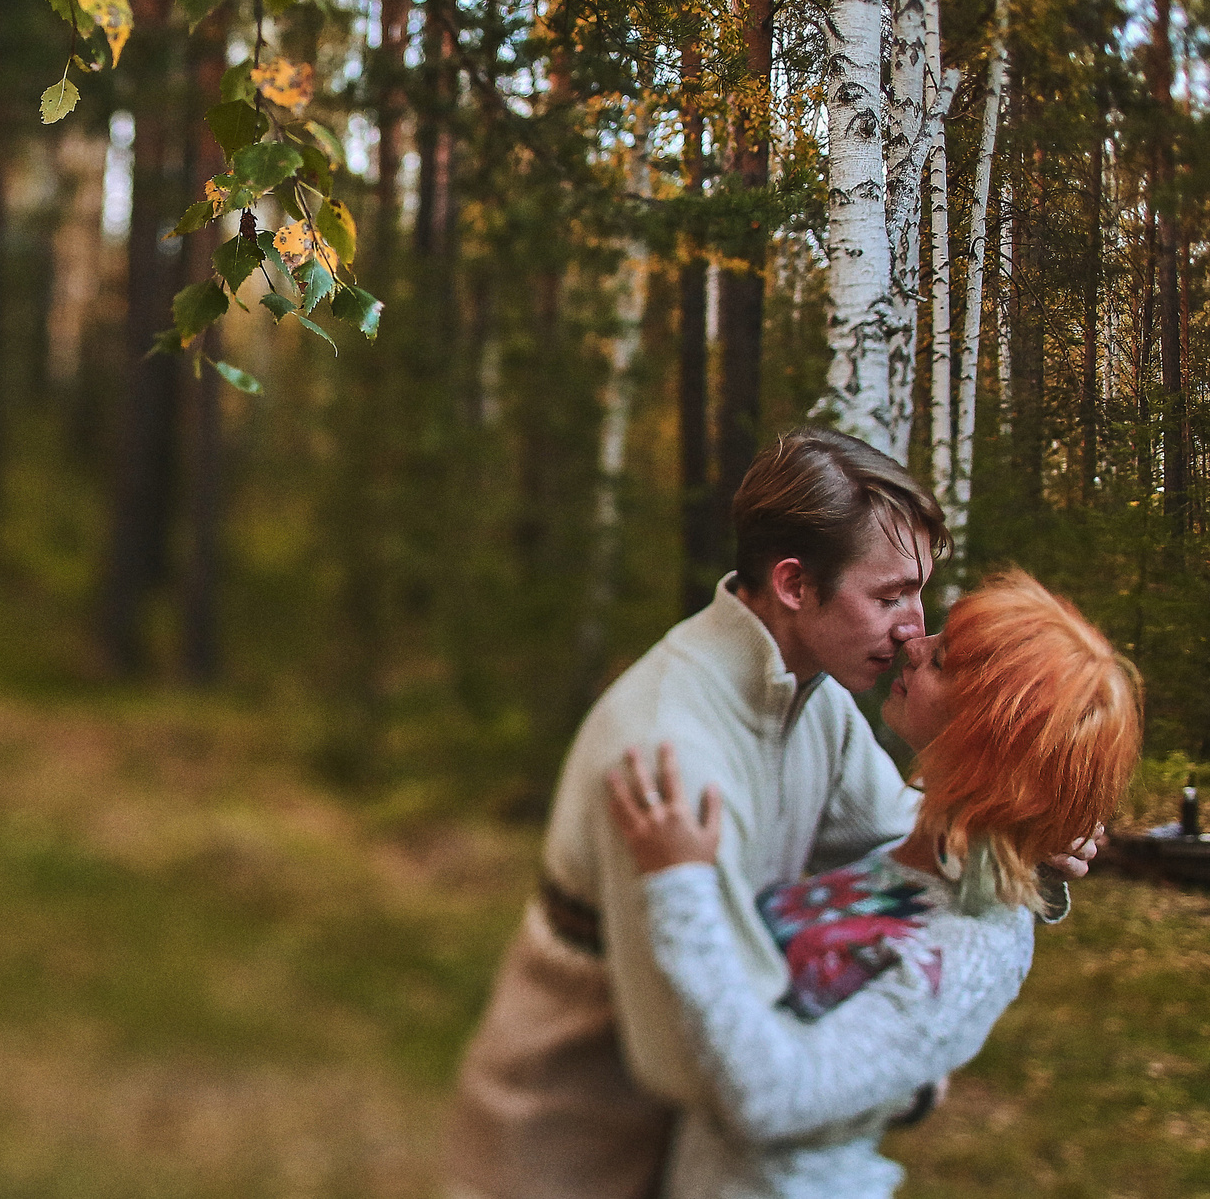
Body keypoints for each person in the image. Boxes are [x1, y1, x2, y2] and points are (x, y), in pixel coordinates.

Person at [445, 429, 966, 1199]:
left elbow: (910, 843)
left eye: (917, 591)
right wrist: (906, 1077)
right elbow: (699, 1063)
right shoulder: (669, 749)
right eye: (889, 594)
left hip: (691, 1150)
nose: (913, 626)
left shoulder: (810, 692)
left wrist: (1023, 833)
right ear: (794, 583)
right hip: (567, 1151)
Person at [605, 572, 1143, 1199]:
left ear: (983, 734)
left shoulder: (971, 948)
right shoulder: (913, 854)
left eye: (940, 659)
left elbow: (771, 1099)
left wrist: (682, 886)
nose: (914, 641)